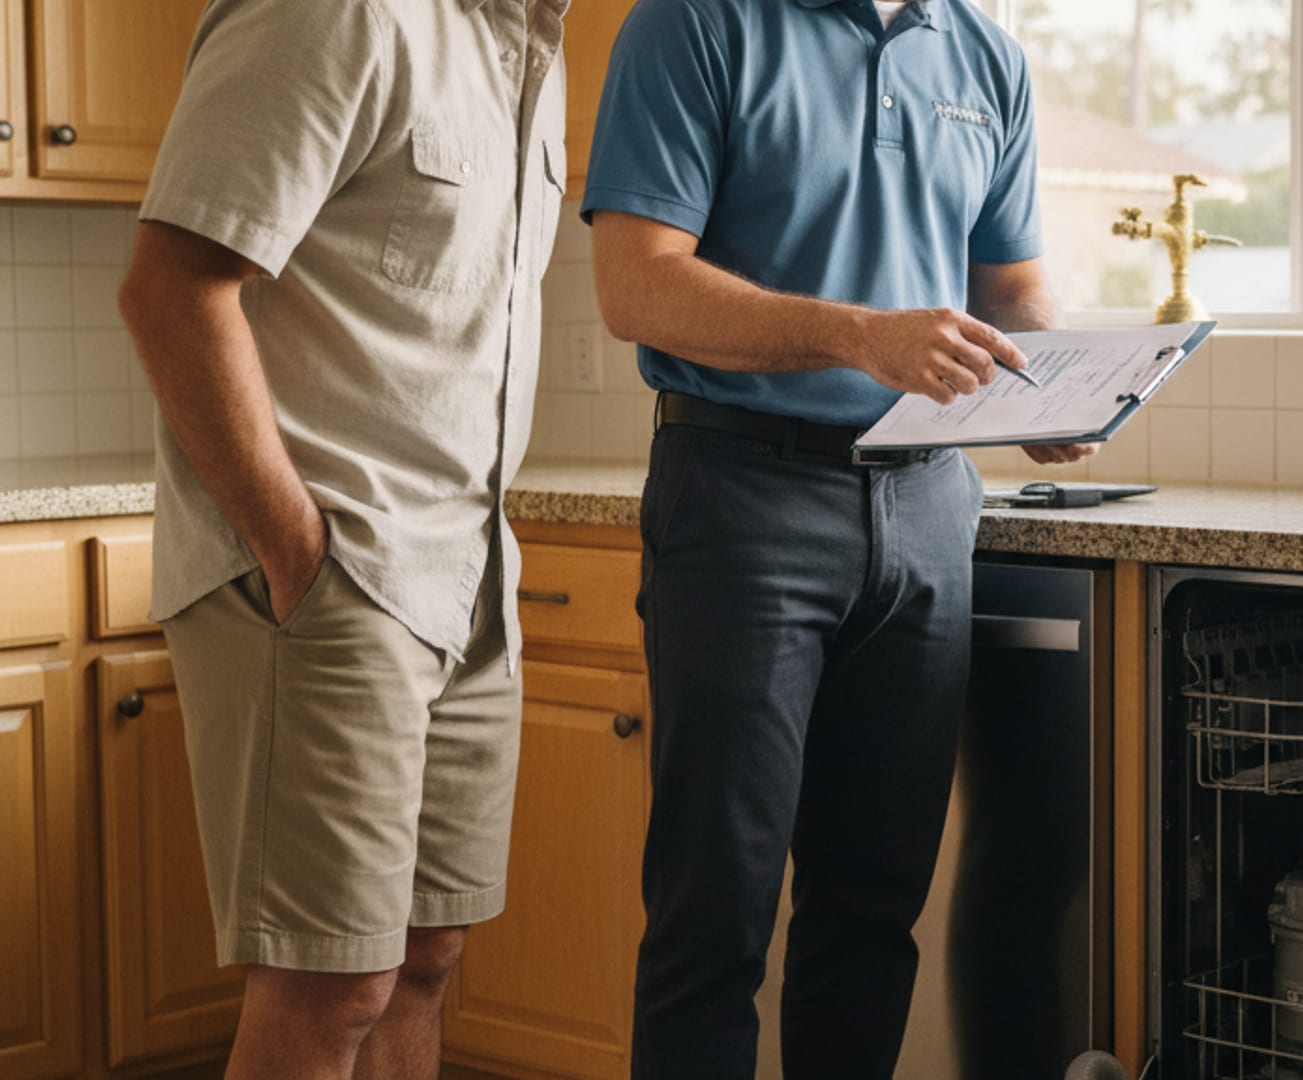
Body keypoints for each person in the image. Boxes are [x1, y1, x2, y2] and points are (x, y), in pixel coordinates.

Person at [583, 0, 1092, 1076]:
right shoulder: (694, 22)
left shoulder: (986, 55)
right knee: (714, 913)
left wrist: (1052, 383)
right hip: (742, 500)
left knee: (871, 910)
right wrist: (862, 336)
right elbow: (637, 285)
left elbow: (1011, 287)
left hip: (930, 505)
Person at [115, 1, 569, 1077]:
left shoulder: (534, 48)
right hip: (335, 575)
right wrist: (300, 555)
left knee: (424, 957)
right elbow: (170, 291)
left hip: (468, 577)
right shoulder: (340, 10)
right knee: (330, 985)